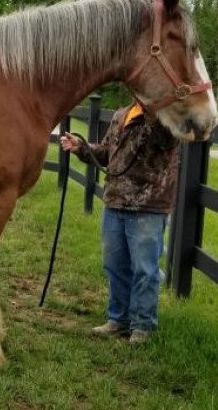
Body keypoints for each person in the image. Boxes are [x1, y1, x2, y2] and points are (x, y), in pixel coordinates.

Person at [60, 101, 179, 343]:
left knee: (145, 270)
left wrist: (156, 105)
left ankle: (142, 325)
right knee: (115, 265)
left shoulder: (166, 117)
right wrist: (82, 147)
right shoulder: (121, 113)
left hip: (148, 204)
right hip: (115, 201)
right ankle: (118, 320)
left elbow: (167, 142)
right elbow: (107, 153)